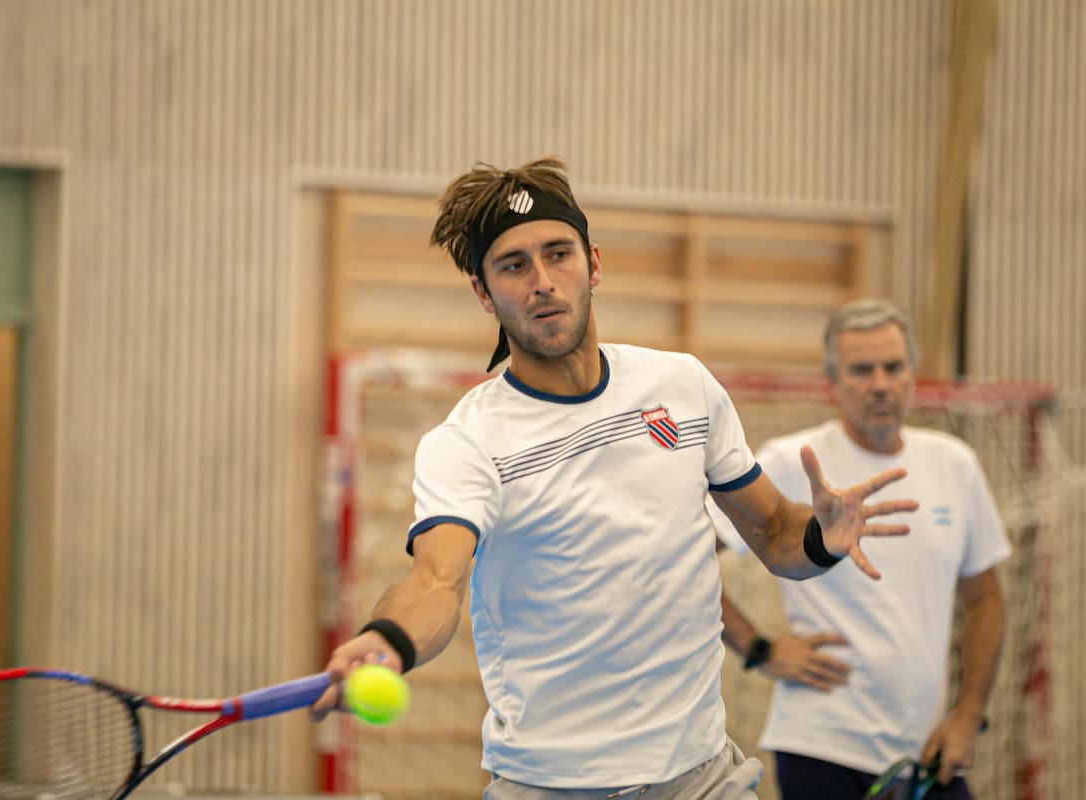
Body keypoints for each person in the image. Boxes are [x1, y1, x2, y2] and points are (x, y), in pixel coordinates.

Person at [311, 158, 918, 799]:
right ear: (484, 294)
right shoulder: (466, 443)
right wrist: (388, 639)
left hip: (702, 777)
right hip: (551, 786)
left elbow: (773, 532)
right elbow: (435, 582)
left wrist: (822, 537)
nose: (543, 282)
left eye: (558, 254)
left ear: (593, 263)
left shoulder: (682, 388)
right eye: (514, 265)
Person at [718, 299, 1010, 799]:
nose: (880, 383)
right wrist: (760, 650)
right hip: (821, 747)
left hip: (927, 753)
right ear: (831, 380)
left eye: (893, 367)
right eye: (861, 369)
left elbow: (985, 598)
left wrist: (968, 713)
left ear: (913, 373)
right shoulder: (793, 460)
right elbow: (687, 563)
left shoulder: (955, 464)